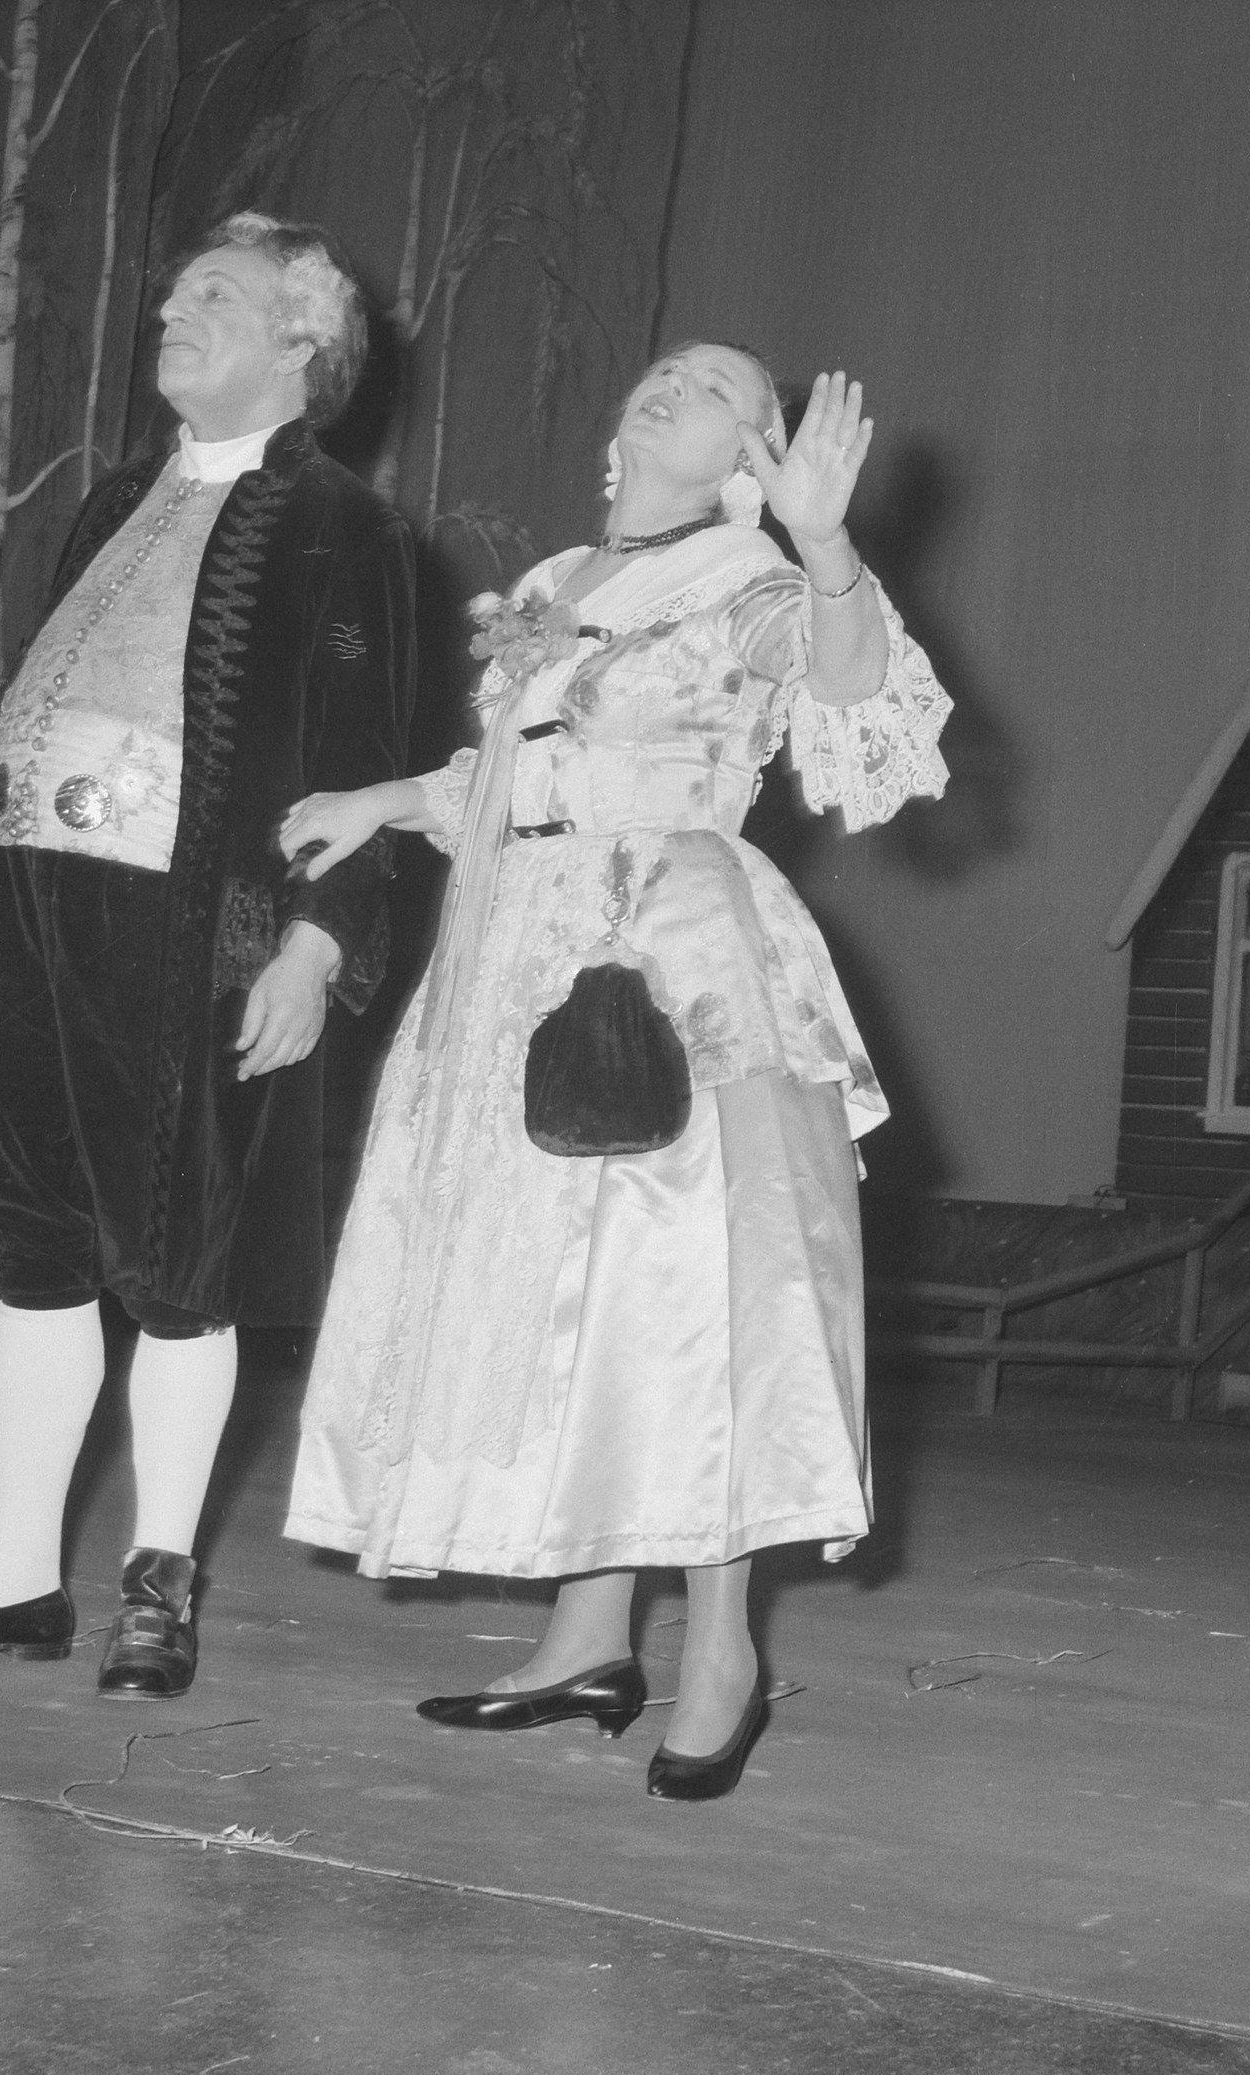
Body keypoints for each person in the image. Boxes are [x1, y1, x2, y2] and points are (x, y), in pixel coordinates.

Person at [281, 342, 951, 1798]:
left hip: (665, 952)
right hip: (515, 952)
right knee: (547, 1294)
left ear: (751, 454)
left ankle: (723, 1650)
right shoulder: (558, 581)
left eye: (713, 387)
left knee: (681, 1297)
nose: (667, 385)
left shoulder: (748, 577)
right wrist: (389, 798)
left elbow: (844, 677)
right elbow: (522, 777)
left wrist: (827, 543)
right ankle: (589, 1633)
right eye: (657, 371)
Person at [0, 213, 415, 1696]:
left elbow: (370, 759)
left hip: (197, 932)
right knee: (30, 1255)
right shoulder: (112, 499)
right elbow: (41, 698)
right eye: (167, 293)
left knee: (184, 1266)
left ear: (303, 338)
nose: (171, 313)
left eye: (209, 295)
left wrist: (315, 943)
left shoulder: (344, 523)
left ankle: (156, 1589)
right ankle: (18, 1583)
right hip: (40, 915)